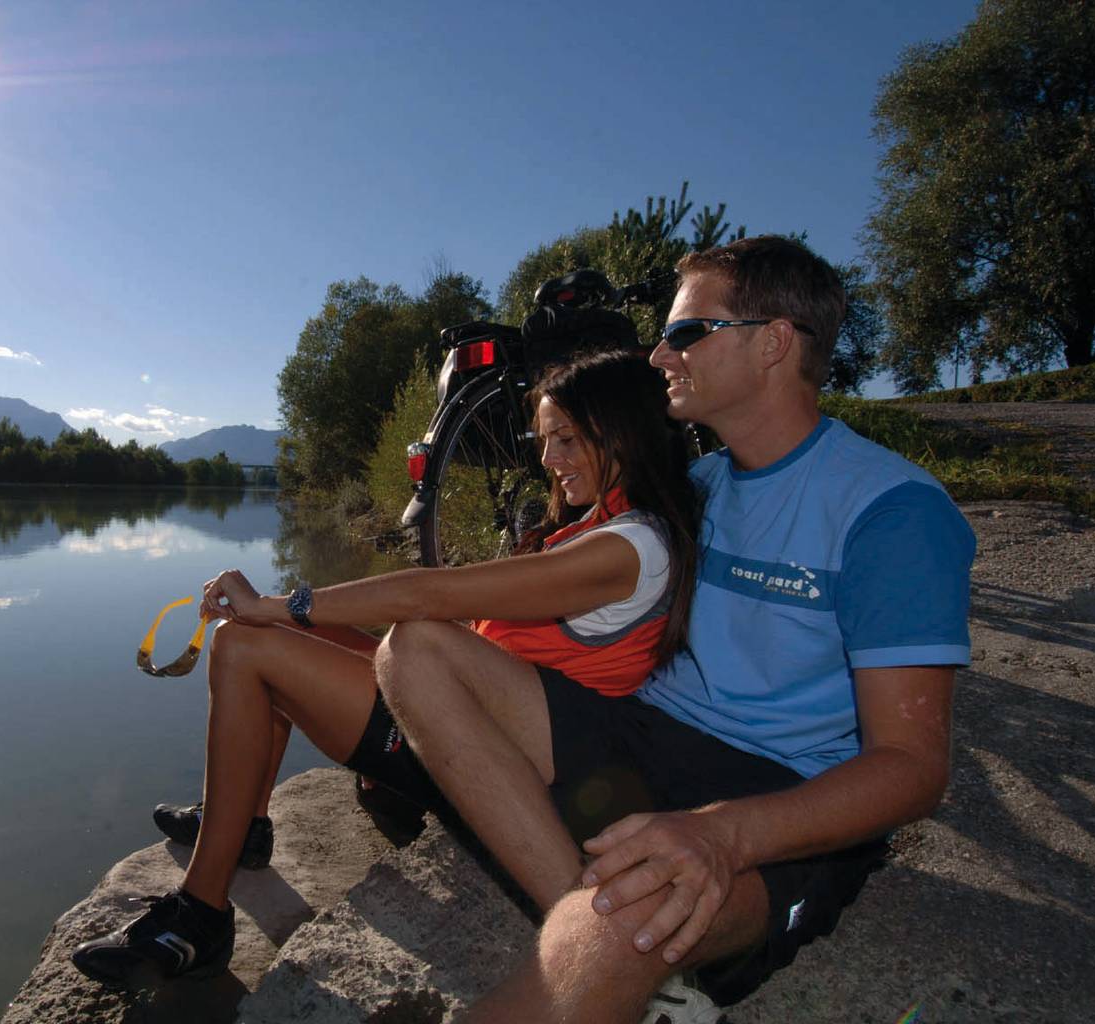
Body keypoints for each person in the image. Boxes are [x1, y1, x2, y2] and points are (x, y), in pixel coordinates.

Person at [375, 235, 976, 1022]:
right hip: (647, 734)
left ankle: (618, 939)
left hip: (783, 798)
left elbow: (911, 767)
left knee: (611, 937)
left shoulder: (892, 513)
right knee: (414, 649)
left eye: (688, 332)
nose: (659, 353)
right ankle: (602, 919)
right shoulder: (697, 483)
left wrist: (726, 836)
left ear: (773, 343)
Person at [69, 347, 703, 990]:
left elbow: (429, 597)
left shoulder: (631, 546)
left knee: (244, 643)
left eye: (566, 438)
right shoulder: (610, 527)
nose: (548, 459)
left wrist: (276, 602)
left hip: (486, 753)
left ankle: (200, 913)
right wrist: (282, 610)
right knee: (269, 628)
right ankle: (244, 823)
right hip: (480, 714)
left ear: (621, 429)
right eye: (543, 440)